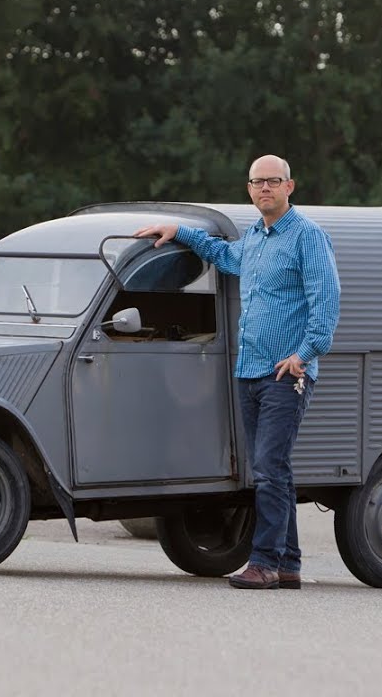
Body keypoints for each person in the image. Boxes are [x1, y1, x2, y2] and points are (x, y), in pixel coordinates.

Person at [133, 154, 341, 590]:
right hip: (250, 371)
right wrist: (180, 232)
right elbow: (223, 255)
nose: (264, 188)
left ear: (290, 186)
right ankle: (288, 565)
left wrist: (303, 354)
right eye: (257, 182)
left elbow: (327, 303)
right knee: (273, 469)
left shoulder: (308, 237)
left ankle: (263, 563)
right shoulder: (255, 238)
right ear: (249, 190)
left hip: (287, 374)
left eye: (273, 181)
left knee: (268, 467)